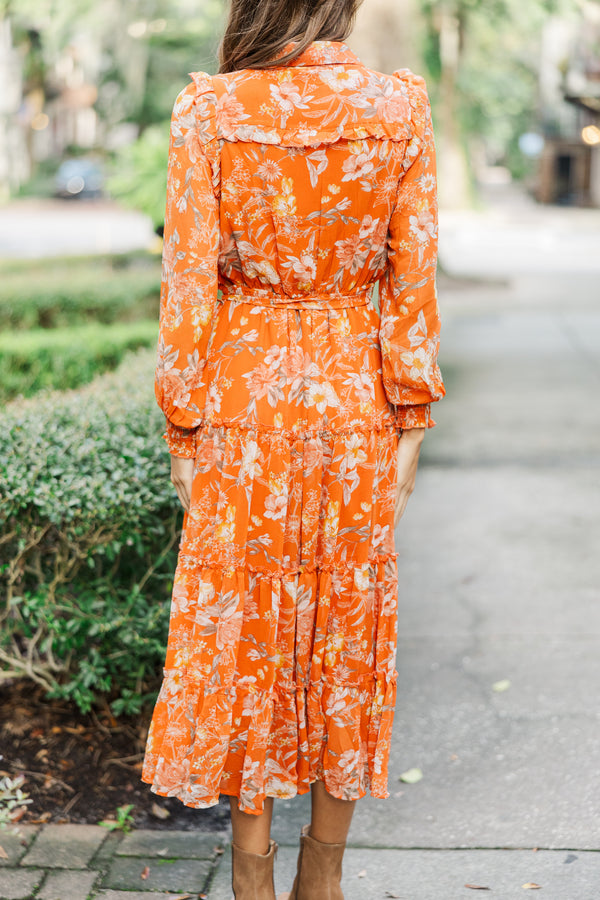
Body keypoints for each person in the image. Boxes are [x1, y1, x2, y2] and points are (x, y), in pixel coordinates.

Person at [141, 0, 445, 897]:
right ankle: (326, 875)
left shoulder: (210, 109)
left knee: (244, 631)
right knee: (344, 629)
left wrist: (183, 424)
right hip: (356, 405)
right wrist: (411, 418)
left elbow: (188, 280)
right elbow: (411, 273)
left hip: (245, 402)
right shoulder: (400, 108)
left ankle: (250, 871)